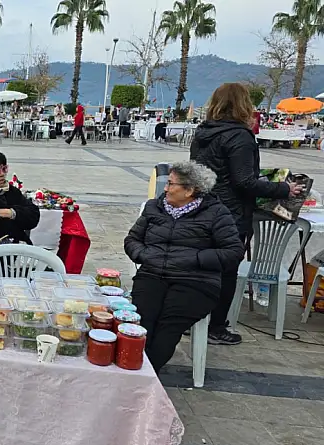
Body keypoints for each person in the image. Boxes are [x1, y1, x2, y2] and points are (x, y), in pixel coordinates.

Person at [190, 82, 305, 345]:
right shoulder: (239, 136)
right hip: (229, 213)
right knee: (226, 271)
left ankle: (193, 318)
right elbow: (244, 181)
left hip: (203, 207)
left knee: (202, 266)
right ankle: (216, 327)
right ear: (244, 105)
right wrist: (282, 188)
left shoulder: (203, 133)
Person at [125, 161, 245, 372]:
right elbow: (133, 239)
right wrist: (144, 254)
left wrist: (196, 258)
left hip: (195, 281)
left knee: (168, 326)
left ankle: (144, 373)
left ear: (190, 190)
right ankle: (138, 371)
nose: (165, 188)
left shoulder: (216, 213)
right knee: (142, 323)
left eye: (171, 184)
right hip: (153, 274)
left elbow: (233, 252)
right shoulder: (155, 207)